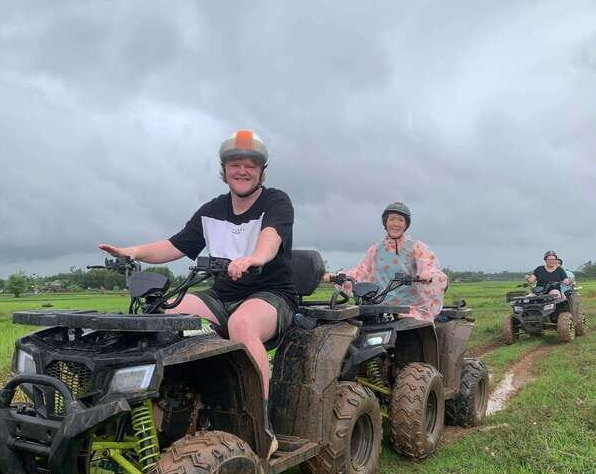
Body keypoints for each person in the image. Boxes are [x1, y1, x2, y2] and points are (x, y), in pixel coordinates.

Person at [99, 129, 297, 456]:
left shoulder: (276, 201)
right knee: (163, 314)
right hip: (222, 296)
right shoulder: (212, 210)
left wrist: (255, 258)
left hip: (271, 294)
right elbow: (174, 245)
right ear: (224, 171)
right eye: (235, 164)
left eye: (251, 165)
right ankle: (162, 408)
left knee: (242, 326)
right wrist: (130, 251)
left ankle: (260, 423)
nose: (242, 171)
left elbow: (272, 237)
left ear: (261, 171)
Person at [324, 201, 447, 321]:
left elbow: (429, 265)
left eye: (400, 220)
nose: (395, 224)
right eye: (392, 219)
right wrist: (337, 277)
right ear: (385, 222)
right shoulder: (376, 249)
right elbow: (359, 273)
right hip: (380, 306)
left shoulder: (417, 246)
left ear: (406, 225)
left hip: (410, 310)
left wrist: (429, 274)